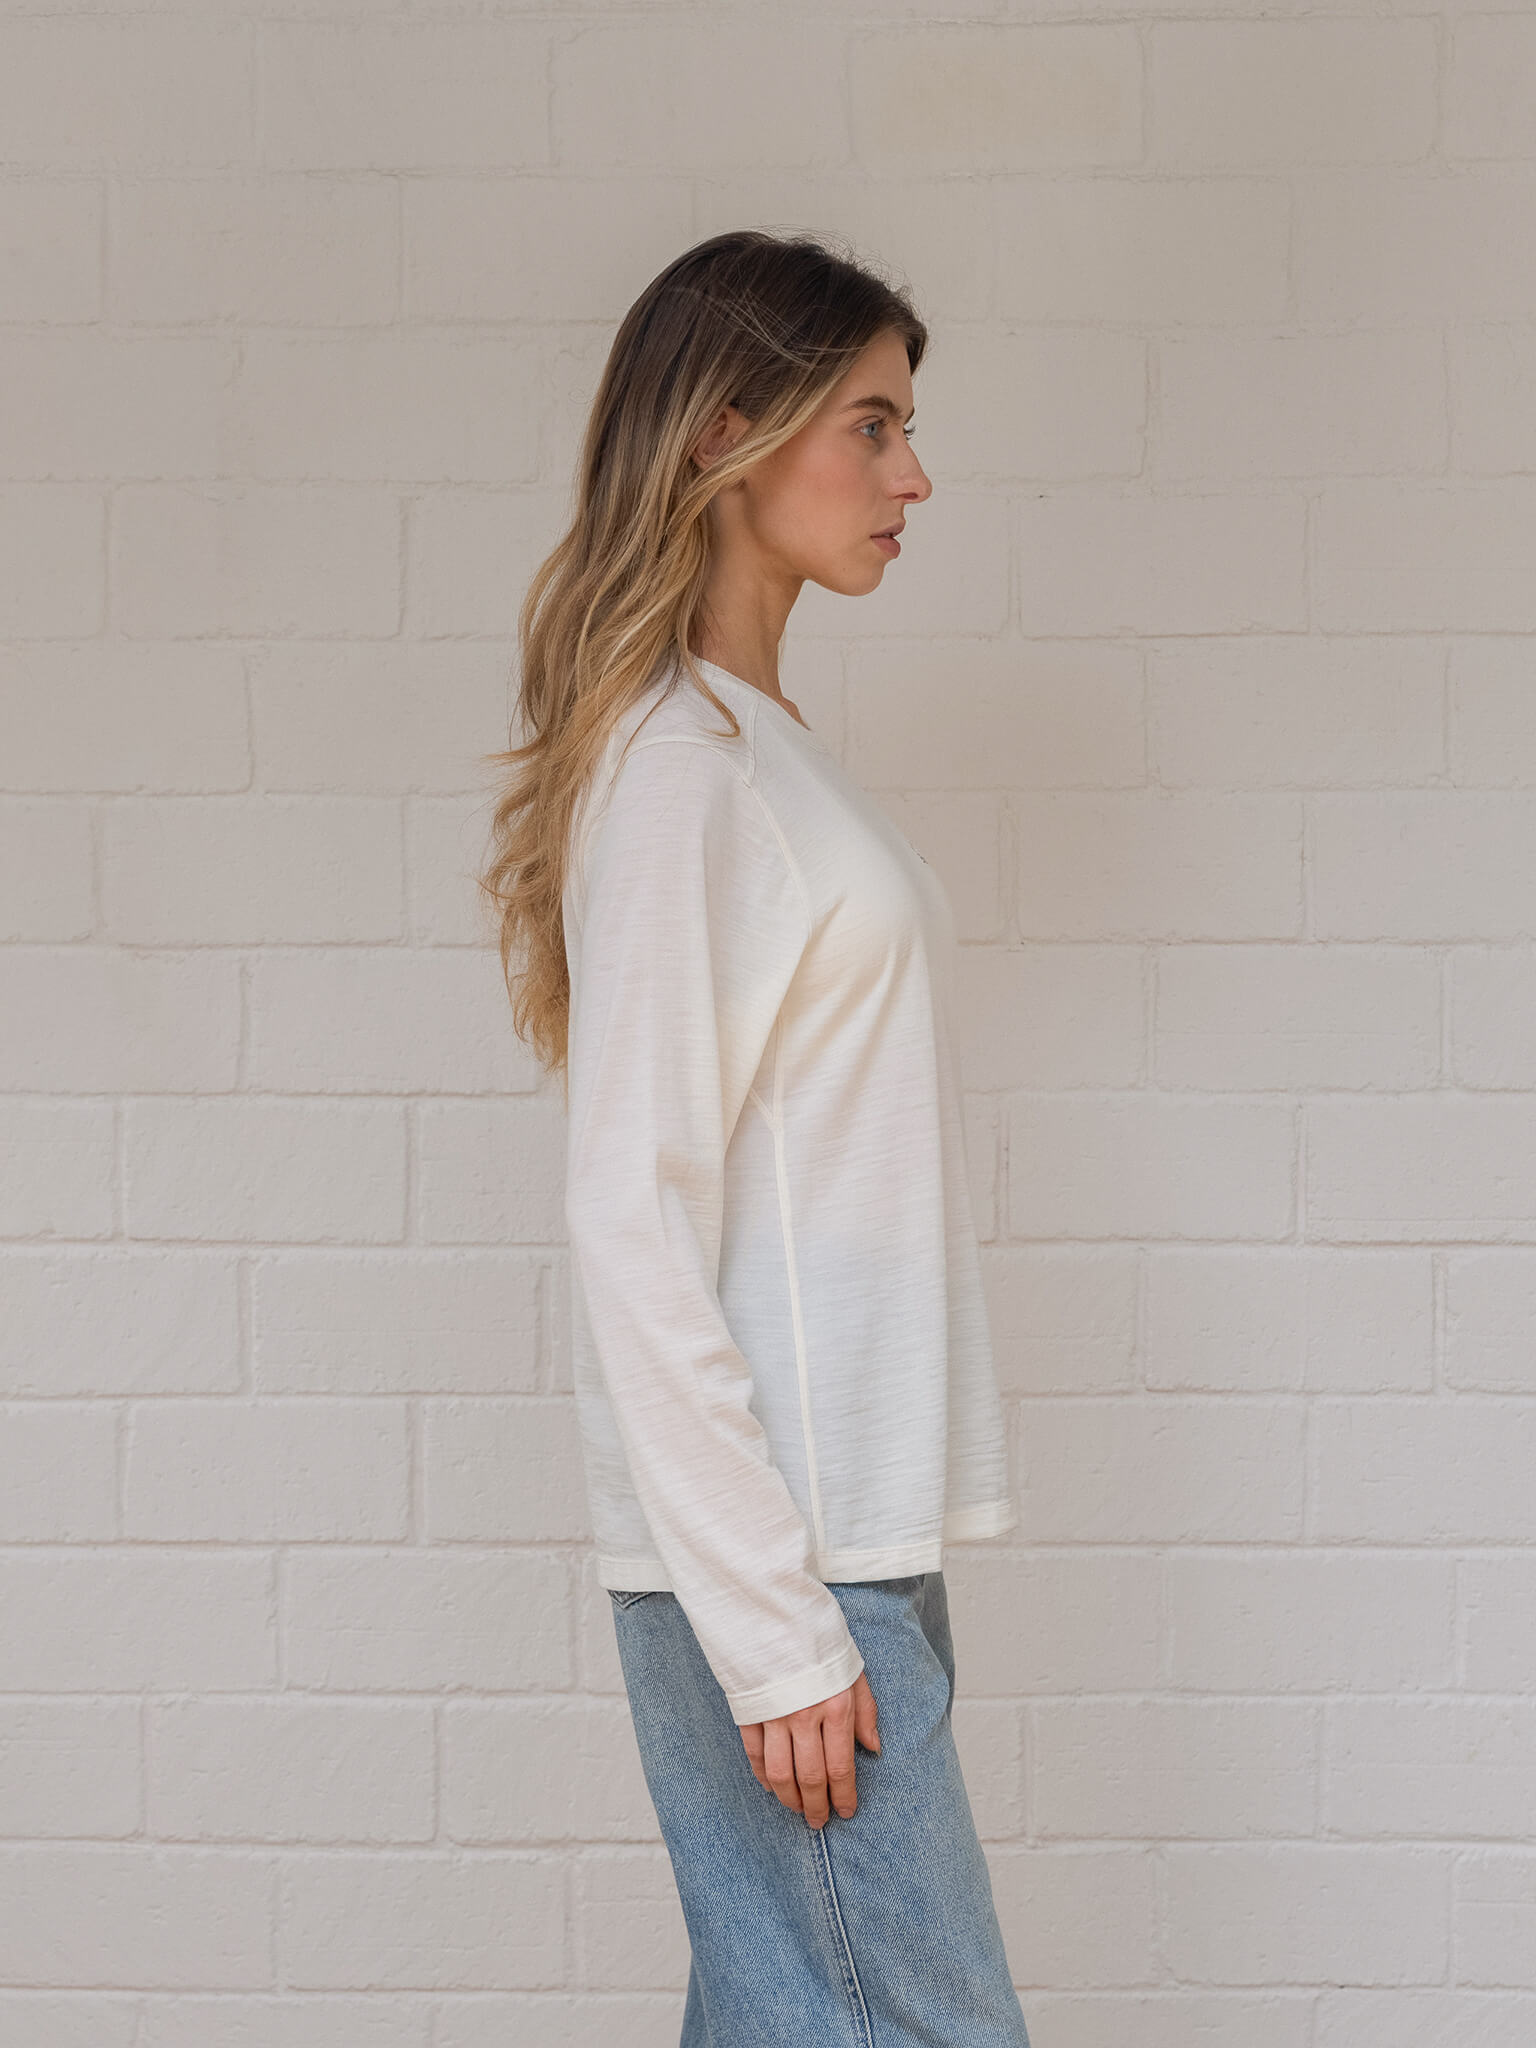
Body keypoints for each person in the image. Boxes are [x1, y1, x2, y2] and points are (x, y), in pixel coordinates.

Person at [480, 228, 1031, 2047]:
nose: (912, 475)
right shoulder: (682, 776)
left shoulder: (754, 749)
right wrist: (779, 1626)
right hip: (790, 1559)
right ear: (731, 432)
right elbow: (631, 1221)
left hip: (843, 1538)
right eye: (869, 426)